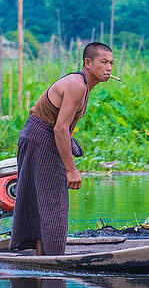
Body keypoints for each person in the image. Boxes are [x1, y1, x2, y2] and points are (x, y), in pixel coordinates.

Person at [9, 42, 114, 255]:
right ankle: (53, 256)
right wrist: (70, 169)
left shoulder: (83, 86)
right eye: (104, 62)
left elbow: (61, 127)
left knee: (42, 199)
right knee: (55, 199)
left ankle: (41, 255)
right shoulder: (77, 85)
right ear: (88, 62)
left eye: (111, 63)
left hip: (36, 135)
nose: (109, 68)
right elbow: (60, 129)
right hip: (41, 136)